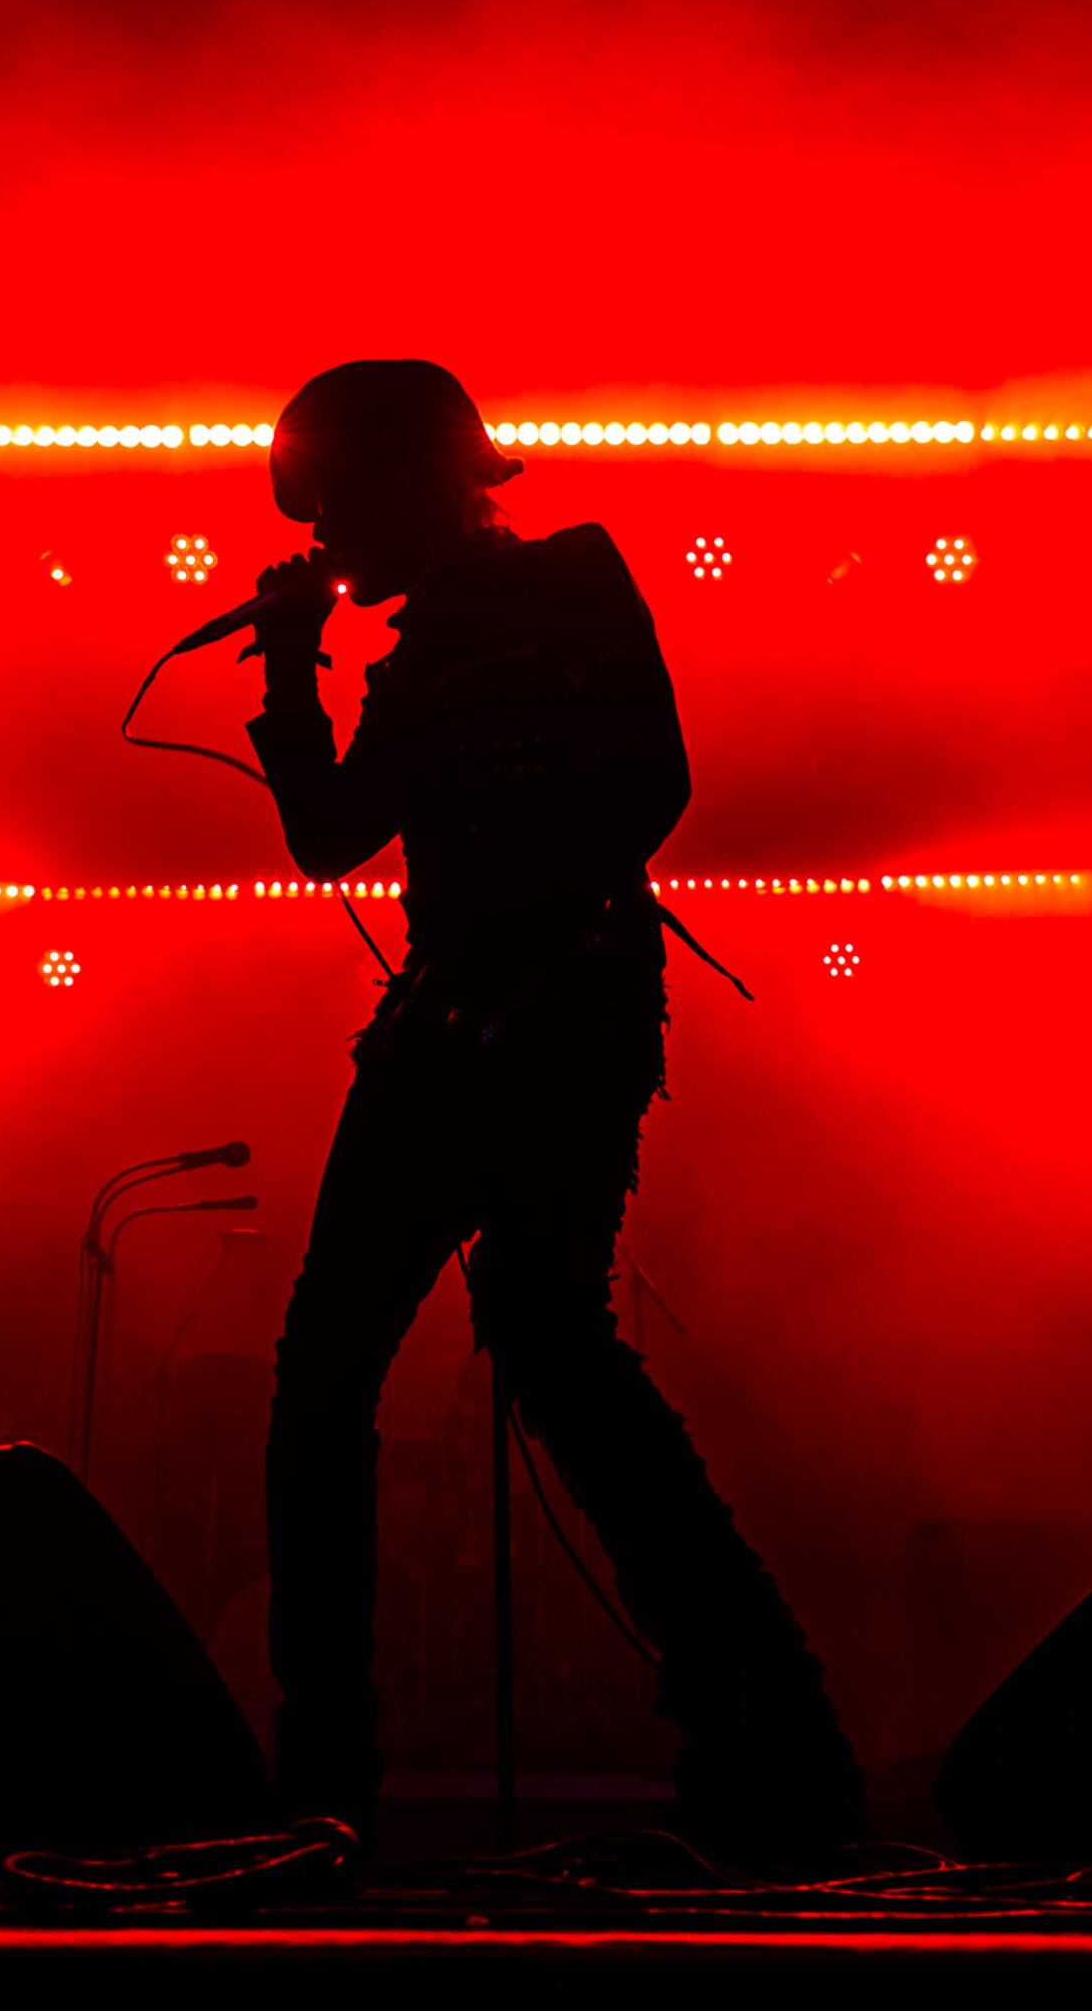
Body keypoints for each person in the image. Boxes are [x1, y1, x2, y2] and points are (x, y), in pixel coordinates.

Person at [240, 359, 859, 1851]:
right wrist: (288, 667)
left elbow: (653, 783)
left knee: (537, 1345)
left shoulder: (576, 584)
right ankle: (332, 1768)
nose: (327, 536)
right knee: (351, 1373)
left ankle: (758, 1714)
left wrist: (516, 919)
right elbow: (331, 839)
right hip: (460, 1020)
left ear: (408, 482)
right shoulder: (410, 653)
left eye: (335, 504)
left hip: (556, 1011)